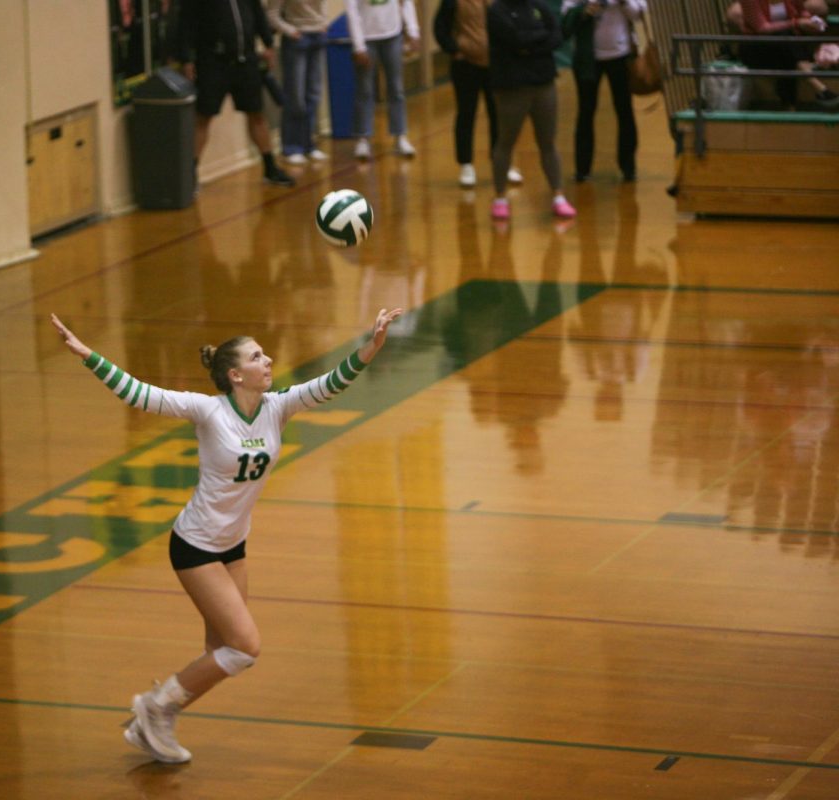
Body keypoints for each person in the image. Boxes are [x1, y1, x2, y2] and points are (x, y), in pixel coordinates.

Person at [49, 307, 404, 764]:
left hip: (233, 546)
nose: (269, 360)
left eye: (265, 354)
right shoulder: (208, 411)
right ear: (236, 375)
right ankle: (154, 707)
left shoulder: (279, 406)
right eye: (258, 357)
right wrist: (87, 354)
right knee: (245, 646)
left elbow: (332, 382)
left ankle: (155, 719)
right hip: (196, 546)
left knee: (224, 653)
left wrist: (372, 345)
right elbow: (141, 394)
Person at [176, 0, 296, 188]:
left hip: (245, 60)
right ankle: (190, 175)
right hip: (212, 62)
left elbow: (257, 14)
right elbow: (186, 23)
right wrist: (186, 58)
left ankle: (270, 168)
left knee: (256, 114)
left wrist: (268, 43)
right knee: (203, 117)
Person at [486, 0, 577, 221]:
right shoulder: (497, 11)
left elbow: (556, 36)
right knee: (506, 141)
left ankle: (558, 196)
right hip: (512, 86)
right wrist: (539, 37)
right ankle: (500, 197)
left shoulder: (539, 6)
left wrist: (530, 44)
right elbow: (514, 40)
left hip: (543, 82)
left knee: (548, 142)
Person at [433, 0, 524, 187]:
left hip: (496, 64)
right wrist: (454, 49)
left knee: (499, 115)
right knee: (466, 113)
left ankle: (501, 163)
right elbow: (440, 26)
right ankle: (466, 165)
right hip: (465, 64)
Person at [561, 0, 647, 183]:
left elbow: (638, 15)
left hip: (621, 56)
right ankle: (582, 169)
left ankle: (628, 168)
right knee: (586, 110)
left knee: (624, 110)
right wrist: (585, 10)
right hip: (587, 57)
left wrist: (624, 3)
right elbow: (566, 15)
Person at [345, 0, 422, 160]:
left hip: (392, 34)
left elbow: (406, 3)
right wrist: (358, 46)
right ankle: (363, 137)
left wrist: (413, 31)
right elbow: (351, 10)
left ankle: (400, 135)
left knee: (396, 88)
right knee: (365, 89)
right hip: (367, 37)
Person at [733, 0, 839, 110]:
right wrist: (797, 23)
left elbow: (801, 11)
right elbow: (762, 28)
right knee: (783, 39)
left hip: (784, 46)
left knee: (785, 45)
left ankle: (792, 105)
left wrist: (812, 20)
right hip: (756, 47)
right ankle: (818, 87)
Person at [267, 0, 330, 165]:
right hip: (296, 38)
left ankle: (309, 144)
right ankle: (291, 147)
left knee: (314, 94)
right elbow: (272, 14)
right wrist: (291, 31)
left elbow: (322, 5)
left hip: (318, 36)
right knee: (295, 95)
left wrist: (323, 23)